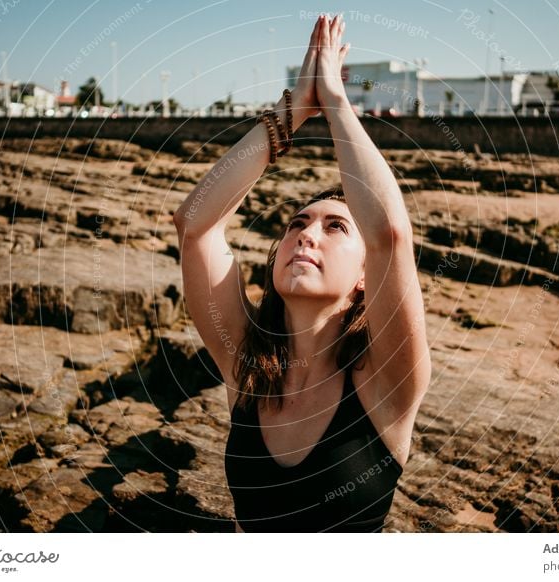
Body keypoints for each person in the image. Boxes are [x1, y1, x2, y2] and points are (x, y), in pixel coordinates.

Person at [174, 13, 431, 532]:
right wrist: (294, 108)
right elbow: (195, 224)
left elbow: (390, 234)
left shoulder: (386, 382)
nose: (306, 235)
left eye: (336, 228)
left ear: (365, 277)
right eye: (297, 224)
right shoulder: (245, 365)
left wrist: (334, 103)